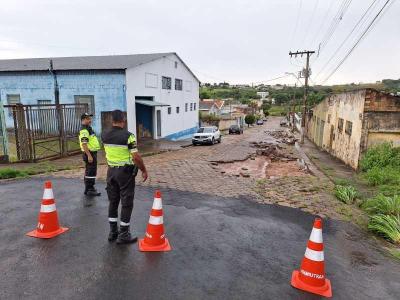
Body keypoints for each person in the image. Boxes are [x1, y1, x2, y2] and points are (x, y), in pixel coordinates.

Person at [101, 110, 148, 244]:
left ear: (112, 120)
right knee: (126, 203)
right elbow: (136, 157)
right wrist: (143, 169)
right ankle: (124, 234)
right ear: (123, 120)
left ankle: (113, 232)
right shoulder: (129, 136)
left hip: (111, 172)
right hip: (125, 173)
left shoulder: (104, 135)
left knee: (113, 201)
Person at [79, 113, 101, 196]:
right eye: (88, 119)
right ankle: (90, 189)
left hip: (91, 152)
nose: (90, 120)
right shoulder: (84, 130)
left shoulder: (88, 128)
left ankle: (88, 188)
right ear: (84, 120)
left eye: (90, 118)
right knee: (91, 171)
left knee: (90, 171)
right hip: (89, 153)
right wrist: (89, 155)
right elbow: (84, 144)